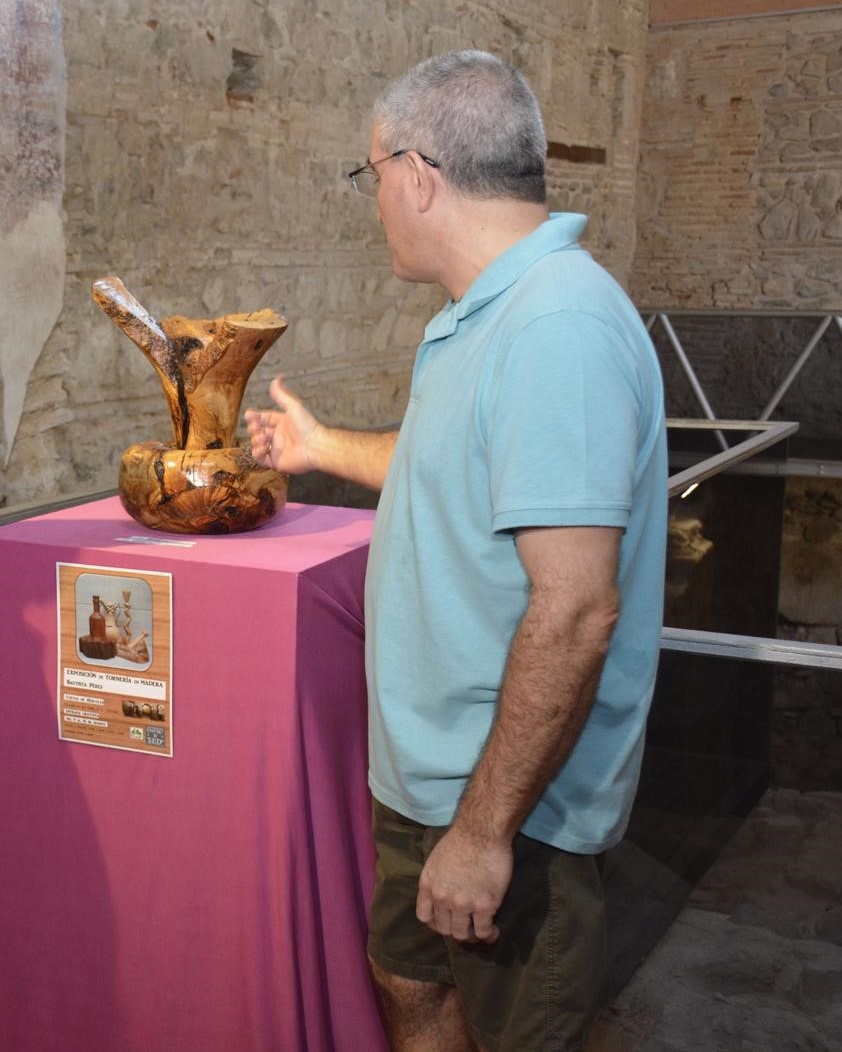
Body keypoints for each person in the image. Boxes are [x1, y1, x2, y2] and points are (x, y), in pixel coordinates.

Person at [244, 51, 665, 1052]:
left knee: (518, 1025)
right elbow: (457, 471)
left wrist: (481, 834)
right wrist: (319, 450)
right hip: (436, 782)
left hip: (510, 801)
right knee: (412, 982)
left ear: (418, 174)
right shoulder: (481, 314)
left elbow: (574, 609)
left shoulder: (554, 323)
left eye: (372, 176)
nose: (376, 201)